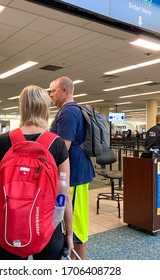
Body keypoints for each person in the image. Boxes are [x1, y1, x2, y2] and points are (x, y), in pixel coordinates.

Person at [0, 85, 73, 260]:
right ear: (45, 107)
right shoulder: (57, 143)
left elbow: (0, 185)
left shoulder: (6, 140)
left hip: (11, 224)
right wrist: (69, 234)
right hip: (48, 227)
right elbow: (65, 193)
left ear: (22, 108)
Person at [49, 76, 95, 260]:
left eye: (53, 90)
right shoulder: (67, 111)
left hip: (75, 175)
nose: (51, 94)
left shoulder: (68, 112)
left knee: (76, 227)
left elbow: (63, 149)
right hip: (75, 174)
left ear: (64, 91)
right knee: (75, 225)